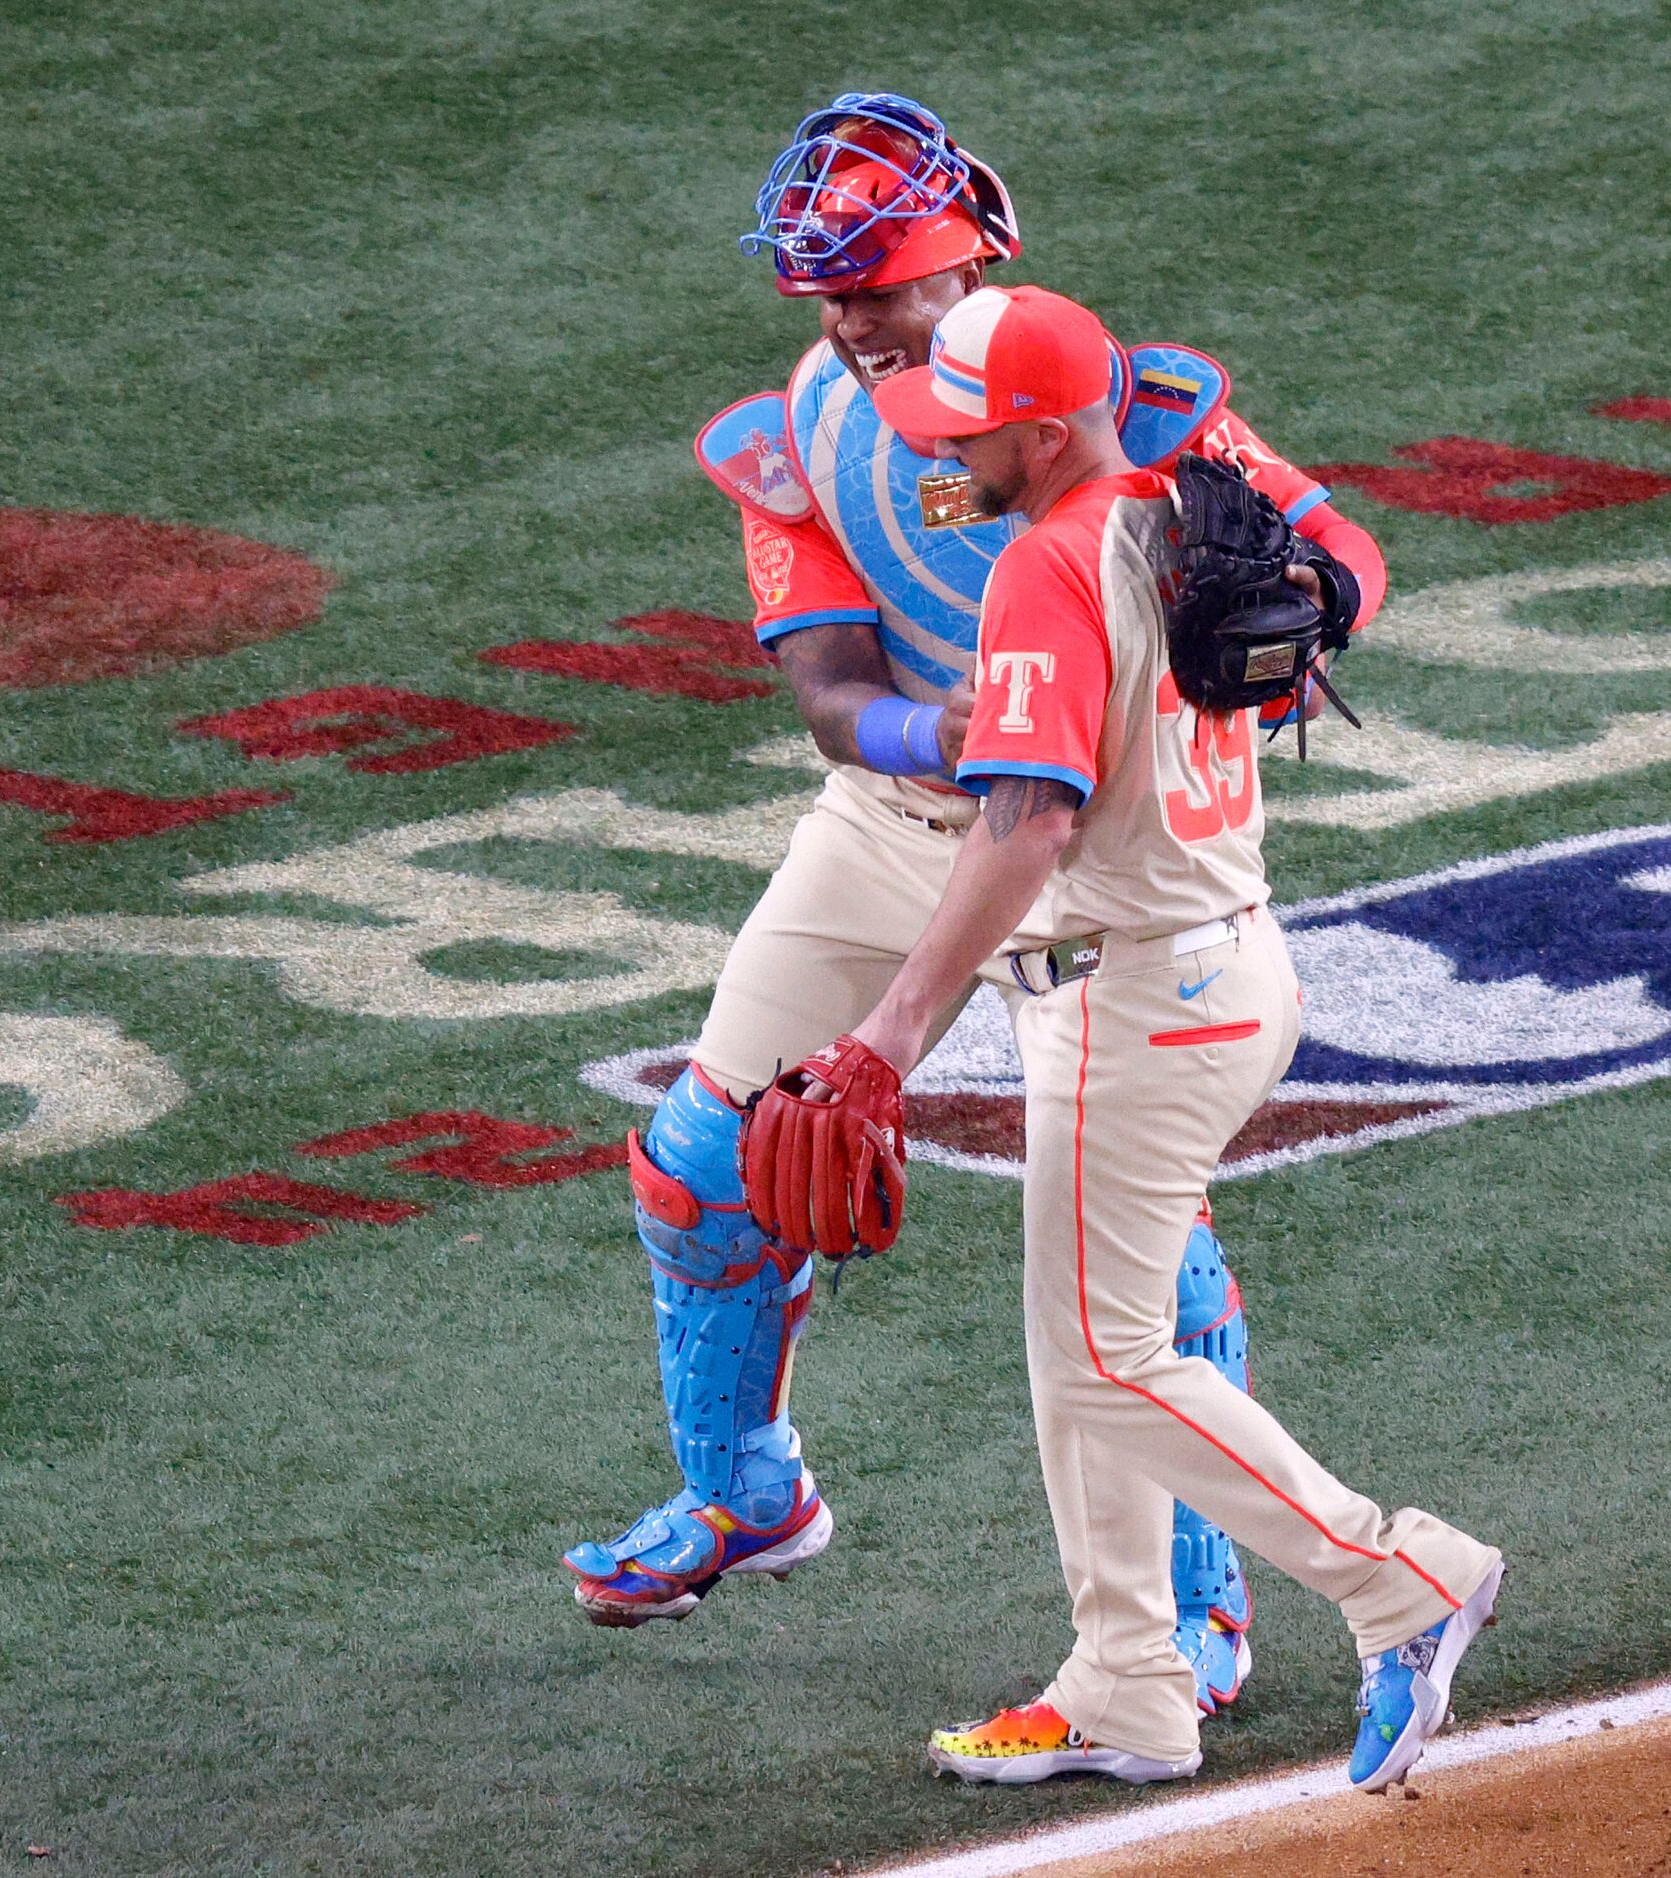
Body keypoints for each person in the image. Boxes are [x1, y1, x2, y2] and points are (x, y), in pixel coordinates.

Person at [561, 93, 1388, 1724]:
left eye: (883, 280)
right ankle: (751, 1493)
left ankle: (1204, 1620)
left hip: (1089, 858)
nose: (857, 316)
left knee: (1134, 1275)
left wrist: (1305, 609)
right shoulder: (796, 438)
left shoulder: (1111, 406)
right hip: (891, 823)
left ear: (973, 259)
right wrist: (934, 732)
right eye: (833, 288)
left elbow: (1343, 545)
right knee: (696, 1168)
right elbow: (826, 690)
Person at [821, 283, 1503, 1790]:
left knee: (1116, 1356)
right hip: (1221, 965)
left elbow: (1026, 822)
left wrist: (888, 1032)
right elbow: (1311, 560)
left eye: (970, 429)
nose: (945, 447)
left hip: (1139, 1002)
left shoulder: (1052, 570)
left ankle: (1402, 1577)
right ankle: (1128, 1677)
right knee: (1078, 1360)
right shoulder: (1178, 515)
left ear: (1048, 430)